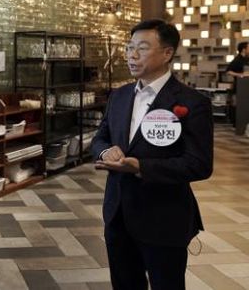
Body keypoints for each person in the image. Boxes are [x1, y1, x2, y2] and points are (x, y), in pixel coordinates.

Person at [91, 19, 213, 290]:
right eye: (129, 48)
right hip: (118, 213)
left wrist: (140, 167)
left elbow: (199, 164)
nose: (132, 55)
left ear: (167, 53)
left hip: (164, 218)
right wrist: (106, 151)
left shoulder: (192, 103)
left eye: (142, 48)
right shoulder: (119, 95)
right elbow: (100, 138)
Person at [225, 41, 249, 126]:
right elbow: (228, 71)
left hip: (246, 86)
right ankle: (236, 123)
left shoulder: (247, 59)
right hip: (240, 86)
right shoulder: (237, 59)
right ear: (244, 49)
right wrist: (240, 75)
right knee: (238, 105)